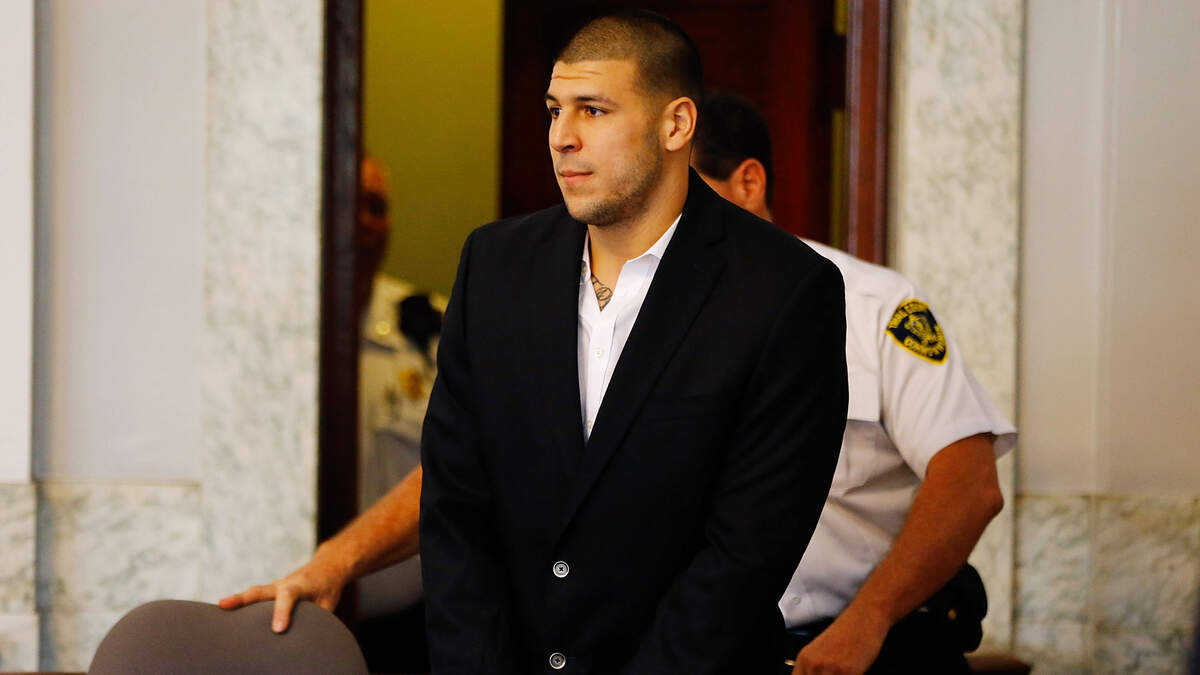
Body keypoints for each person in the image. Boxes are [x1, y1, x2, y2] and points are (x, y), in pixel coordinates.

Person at [222, 13, 850, 673]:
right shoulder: (495, 264)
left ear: (676, 125)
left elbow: (746, 555)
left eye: (593, 110)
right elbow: (457, 508)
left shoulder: (785, 290)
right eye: (554, 110)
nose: (561, 137)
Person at [691, 89, 1016, 674]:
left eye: (680, 198)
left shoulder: (872, 305)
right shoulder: (634, 323)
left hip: (867, 648)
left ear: (748, 183)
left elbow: (970, 485)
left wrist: (869, 620)